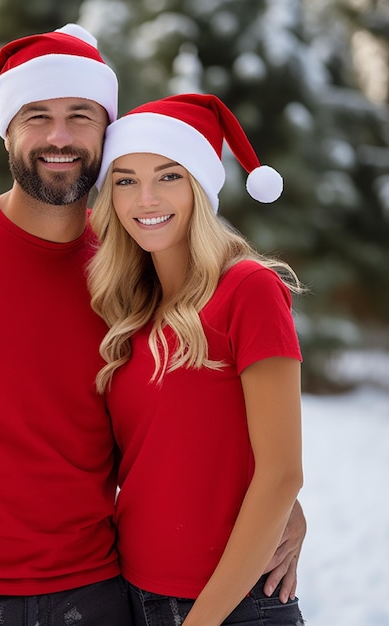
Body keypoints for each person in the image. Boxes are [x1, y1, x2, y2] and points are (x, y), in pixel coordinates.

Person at [0, 21, 304, 626]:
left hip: (98, 593)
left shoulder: (127, 271)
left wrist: (284, 504)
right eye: (36, 114)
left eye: (80, 115)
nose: (58, 136)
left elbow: (176, 420)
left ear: (104, 134)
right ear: (6, 129)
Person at [86, 93, 306, 625]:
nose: (145, 198)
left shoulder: (248, 289)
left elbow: (280, 473)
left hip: (231, 607)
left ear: (200, 187)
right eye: (125, 179)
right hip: (133, 595)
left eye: (168, 176)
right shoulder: (130, 309)